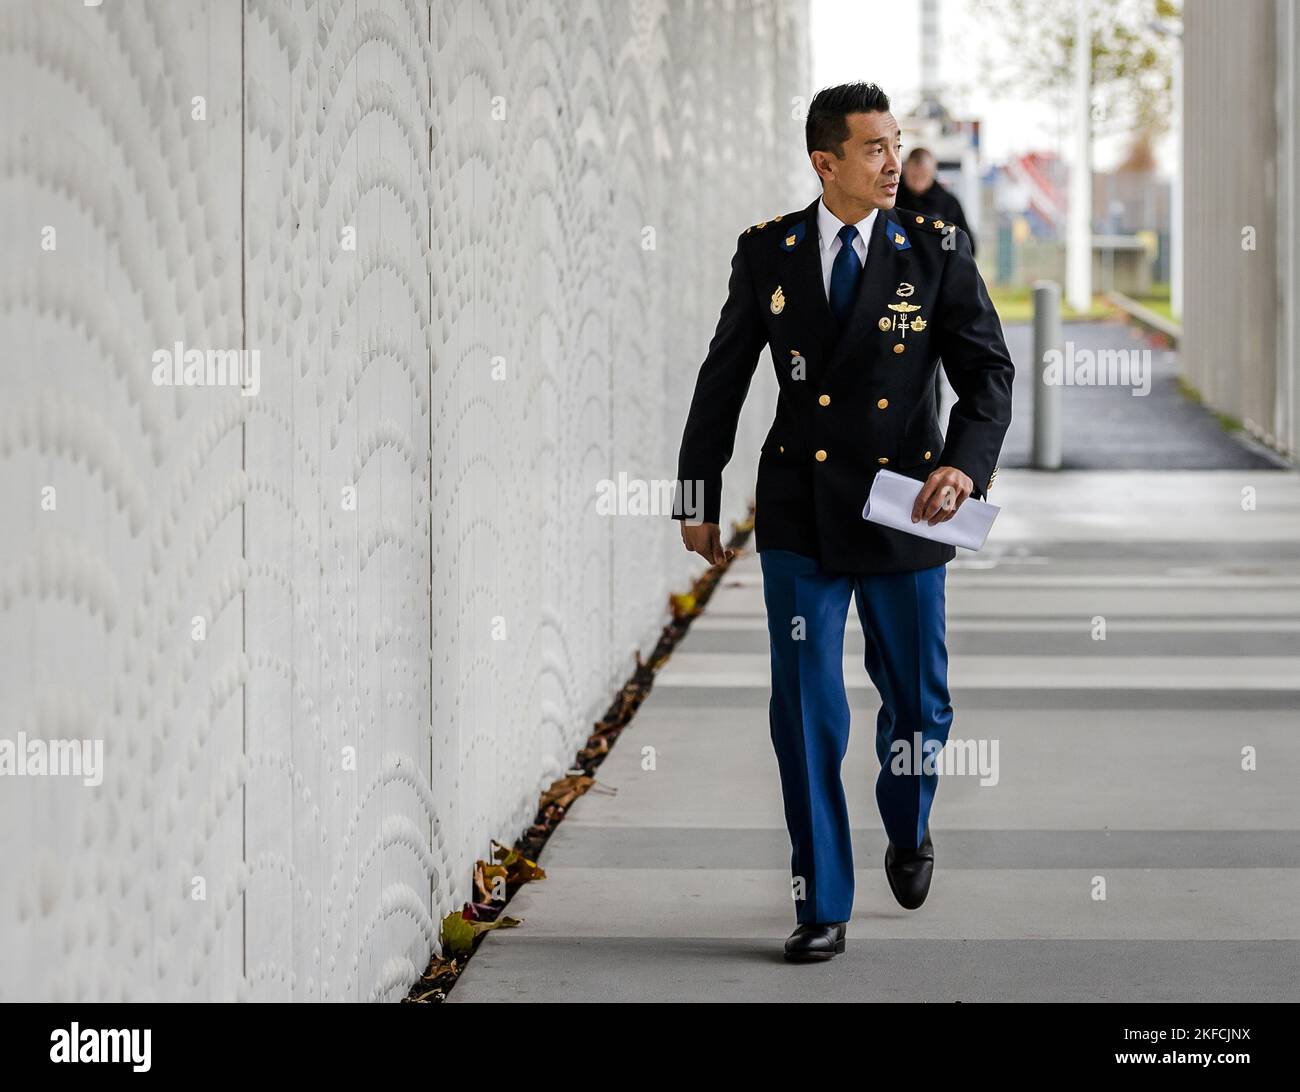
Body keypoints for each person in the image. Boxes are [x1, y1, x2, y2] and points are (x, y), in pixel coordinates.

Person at [670, 81, 1013, 962]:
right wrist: (696, 492)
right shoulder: (769, 252)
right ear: (826, 163)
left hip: (908, 505)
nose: (894, 163)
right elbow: (724, 375)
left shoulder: (935, 249)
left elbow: (988, 376)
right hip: (802, 510)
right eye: (873, 148)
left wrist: (963, 467)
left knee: (920, 706)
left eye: (896, 144)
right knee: (806, 711)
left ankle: (909, 821)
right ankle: (821, 900)